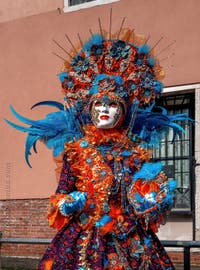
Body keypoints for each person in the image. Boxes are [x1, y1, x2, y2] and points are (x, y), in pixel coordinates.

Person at [6, 28, 189, 269]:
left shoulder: (134, 152)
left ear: (123, 111)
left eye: (112, 104)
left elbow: (144, 194)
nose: (105, 109)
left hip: (131, 239)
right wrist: (67, 203)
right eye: (99, 103)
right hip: (84, 238)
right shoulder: (77, 151)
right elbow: (61, 193)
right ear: (89, 107)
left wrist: (152, 200)